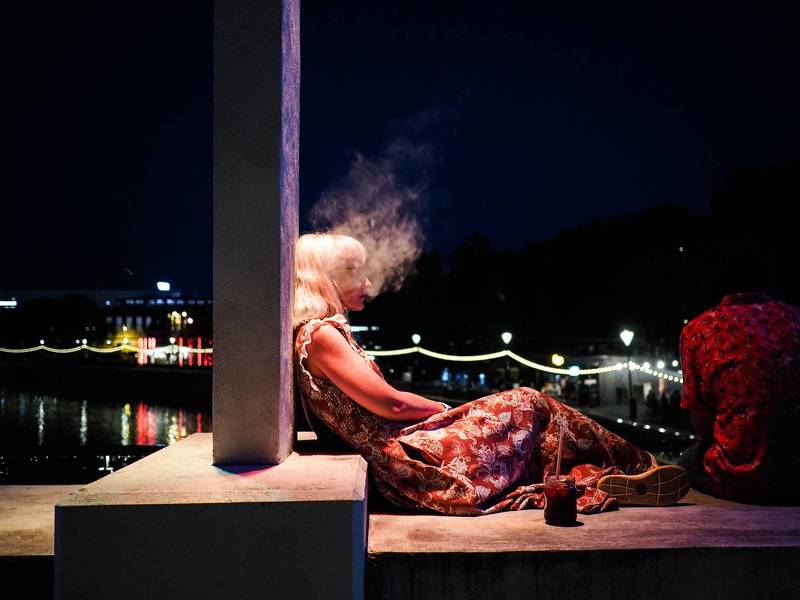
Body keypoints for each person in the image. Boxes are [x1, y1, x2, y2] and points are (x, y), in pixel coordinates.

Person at [293, 233, 689, 515]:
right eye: (356, 272)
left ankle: (619, 475)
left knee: (530, 416)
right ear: (328, 275)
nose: (367, 283)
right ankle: (642, 467)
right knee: (529, 404)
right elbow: (390, 403)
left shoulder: (320, 333)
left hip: (406, 449)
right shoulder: (321, 335)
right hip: (406, 462)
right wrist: (445, 410)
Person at [678, 292, 800, 503]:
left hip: (736, 477)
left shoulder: (699, 330)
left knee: (685, 462)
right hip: (796, 473)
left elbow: (702, 427)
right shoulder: (795, 318)